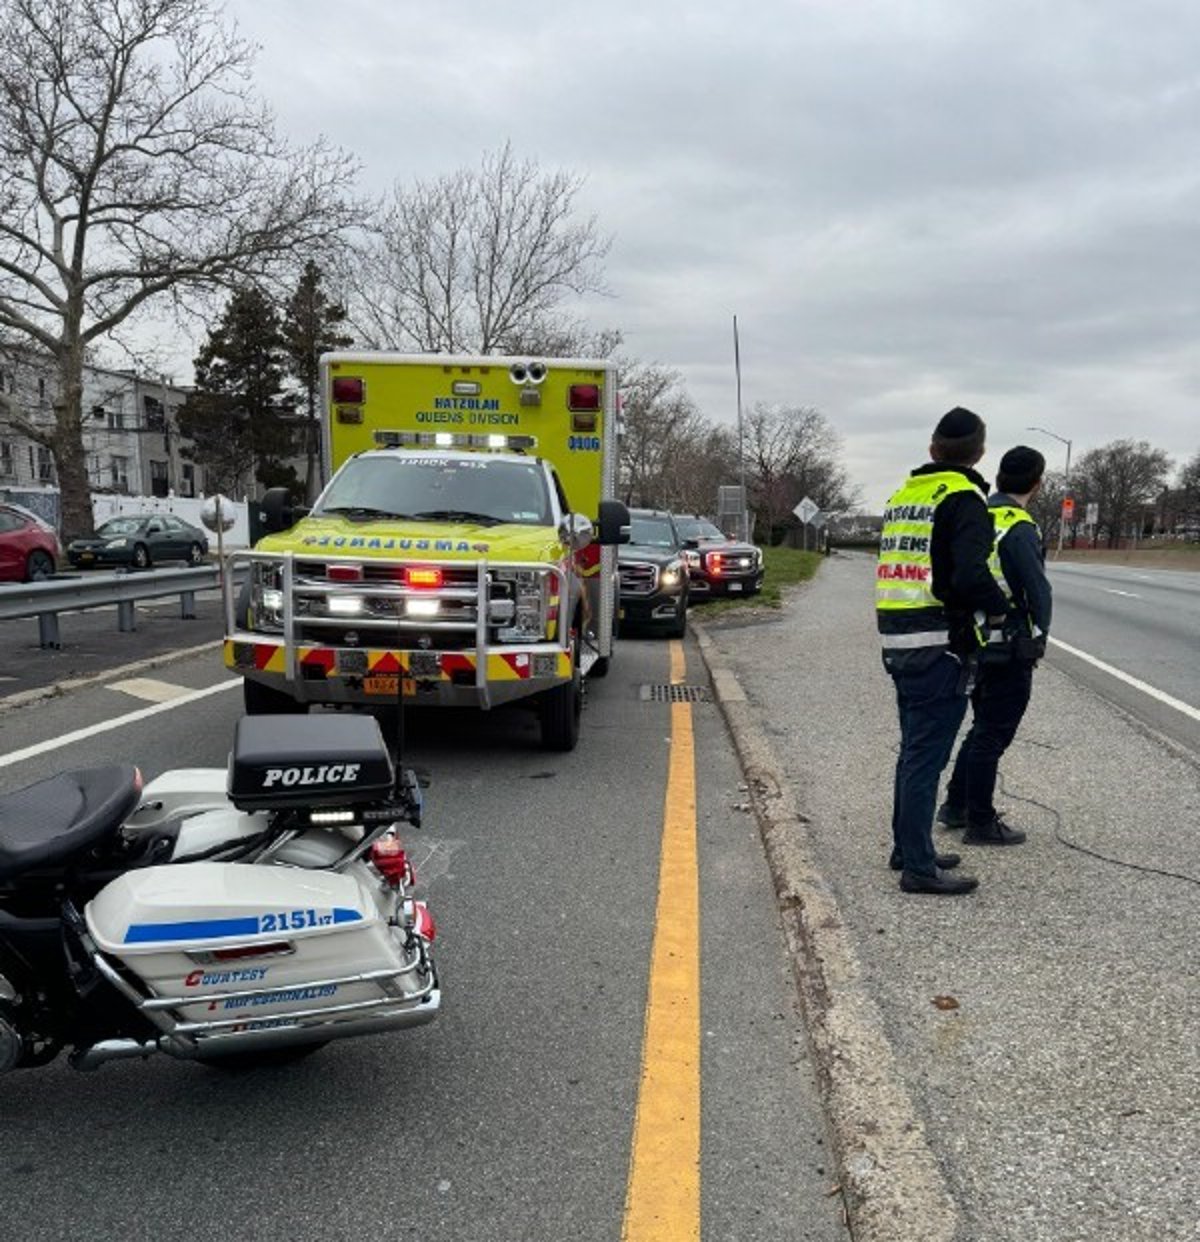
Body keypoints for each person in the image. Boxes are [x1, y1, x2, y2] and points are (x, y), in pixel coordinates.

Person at [877, 407, 1010, 895]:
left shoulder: (904, 494)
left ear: (932, 448)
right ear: (979, 453)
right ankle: (918, 869)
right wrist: (998, 612)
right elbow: (970, 576)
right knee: (925, 758)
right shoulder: (964, 498)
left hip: (898, 639)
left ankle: (909, 848)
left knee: (912, 752)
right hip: (939, 644)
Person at [937, 446, 1052, 845]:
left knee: (980, 727)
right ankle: (980, 822)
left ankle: (956, 805)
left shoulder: (977, 514)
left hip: (974, 638)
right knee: (994, 734)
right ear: (1037, 484)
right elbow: (1038, 591)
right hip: (1009, 644)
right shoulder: (1020, 527)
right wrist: (1040, 638)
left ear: (1000, 477)